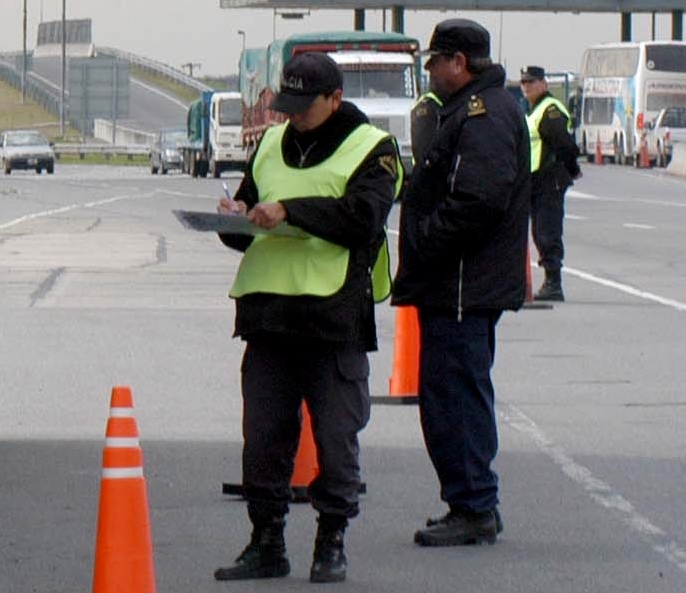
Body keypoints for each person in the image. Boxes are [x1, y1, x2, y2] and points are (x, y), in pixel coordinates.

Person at [213, 51, 402, 583]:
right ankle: (266, 540)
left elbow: (364, 219)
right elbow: (252, 212)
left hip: (332, 316)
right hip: (268, 315)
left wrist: (291, 210)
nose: (293, 116)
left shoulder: (373, 149)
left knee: (337, 439)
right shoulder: (271, 143)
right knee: (264, 437)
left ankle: (331, 540)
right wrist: (232, 218)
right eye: (287, 105)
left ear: (335, 99)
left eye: (305, 106)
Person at [391, 18, 531, 547]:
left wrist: (426, 238)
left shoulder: (486, 114)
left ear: (460, 63)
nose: (429, 70)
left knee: (456, 397)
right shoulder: (469, 111)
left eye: (436, 61)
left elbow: (479, 201)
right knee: (448, 393)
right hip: (455, 283)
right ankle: (470, 500)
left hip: (461, 284)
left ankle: (474, 503)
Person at [520, 65, 582, 302]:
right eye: (524, 83)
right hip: (535, 181)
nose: (527, 87)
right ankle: (550, 279)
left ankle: (553, 282)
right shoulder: (533, 111)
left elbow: (565, 145)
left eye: (532, 82)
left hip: (549, 180)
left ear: (543, 84)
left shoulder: (550, 110)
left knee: (547, 231)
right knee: (539, 231)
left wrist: (571, 169)